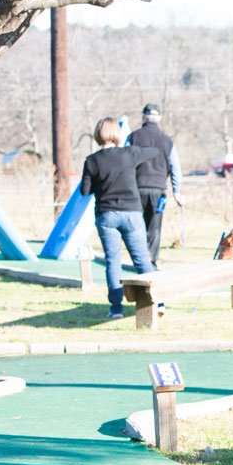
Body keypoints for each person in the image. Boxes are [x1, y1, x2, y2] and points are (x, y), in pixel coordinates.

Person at [80, 117, 160, 319]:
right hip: (132, 212)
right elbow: (154, 152)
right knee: (141, 259)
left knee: (113, 261)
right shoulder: (129, 153)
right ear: (117, 134)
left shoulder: (91, 161)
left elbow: (84, 191)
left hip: (106, 215)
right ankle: (157, 302)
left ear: (98, 135)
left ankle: (116, 308)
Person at [128, 103, 184, 269]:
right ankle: (151, 260)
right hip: (158, 190)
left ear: (143, 117)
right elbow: (175, 167)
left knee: (138, 225)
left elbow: (125, 161)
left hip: (136, 189)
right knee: (154, 227)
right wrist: (177, 191)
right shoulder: (167, 141)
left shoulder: (133, 137)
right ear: (159, 118)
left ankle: (139, 260)